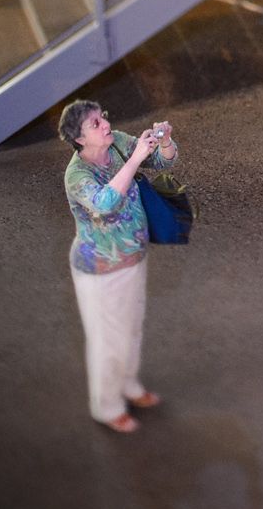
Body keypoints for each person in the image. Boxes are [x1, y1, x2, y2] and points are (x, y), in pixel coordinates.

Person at [57, 99, 179, 434]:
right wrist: (137, 157)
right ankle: (107, 406)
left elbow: (162, 161)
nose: (105, 124)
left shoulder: (119, 143)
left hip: (133, 257)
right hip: (101, 269)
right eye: (95, 124)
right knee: (108, 341)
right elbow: (105, 205)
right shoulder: (77, 175)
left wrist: (163, 141)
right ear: (79, 139)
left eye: (102, 117)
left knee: (132, 327)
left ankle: (130, 386)